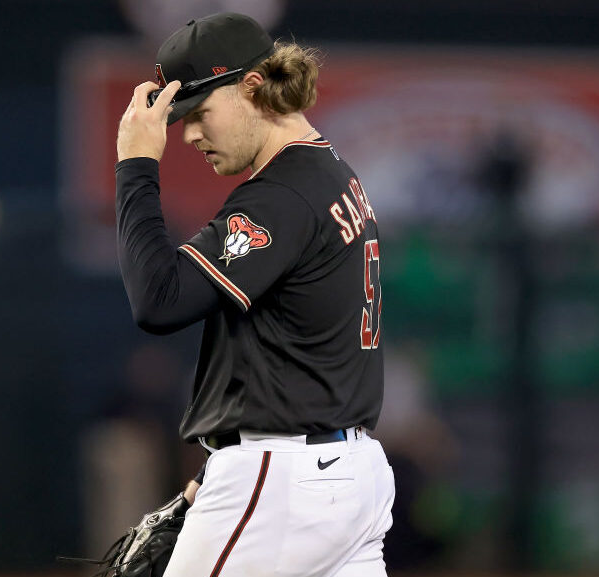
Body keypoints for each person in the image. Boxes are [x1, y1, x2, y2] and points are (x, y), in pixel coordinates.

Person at [114, 12, 394, 576]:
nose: (189, 135)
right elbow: (283, 356)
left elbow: (160, 302)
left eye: (199, 113)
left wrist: (136, 167)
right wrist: (210, 474)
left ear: (253, 86)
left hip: (284, 482)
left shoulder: (281, 196)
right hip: (347, 471)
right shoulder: (332, 172)